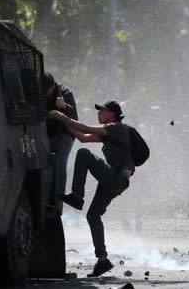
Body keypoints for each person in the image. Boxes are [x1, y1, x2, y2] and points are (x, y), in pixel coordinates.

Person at [48, 100, 134, 277]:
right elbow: (83, 138)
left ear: (112, 113)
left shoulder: (117, 128)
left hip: (116, 178)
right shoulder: (111, 131)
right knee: (93, 215)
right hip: (115, 180)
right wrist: (64, 122)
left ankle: (77, 196)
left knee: (83, 154)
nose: (98, 113)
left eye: (101, 110)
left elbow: (86, 129)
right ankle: (102, 260)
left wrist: (61, 115)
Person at [43, 73, 77, 197]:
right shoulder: (40, 93)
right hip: (46, 135)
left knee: (60, 163)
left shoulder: (65, 92)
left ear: (52, 86)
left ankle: (59, 198)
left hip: (64, 134)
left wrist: (64, 106)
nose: (44, 94)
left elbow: (75, 117)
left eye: (46, 90)